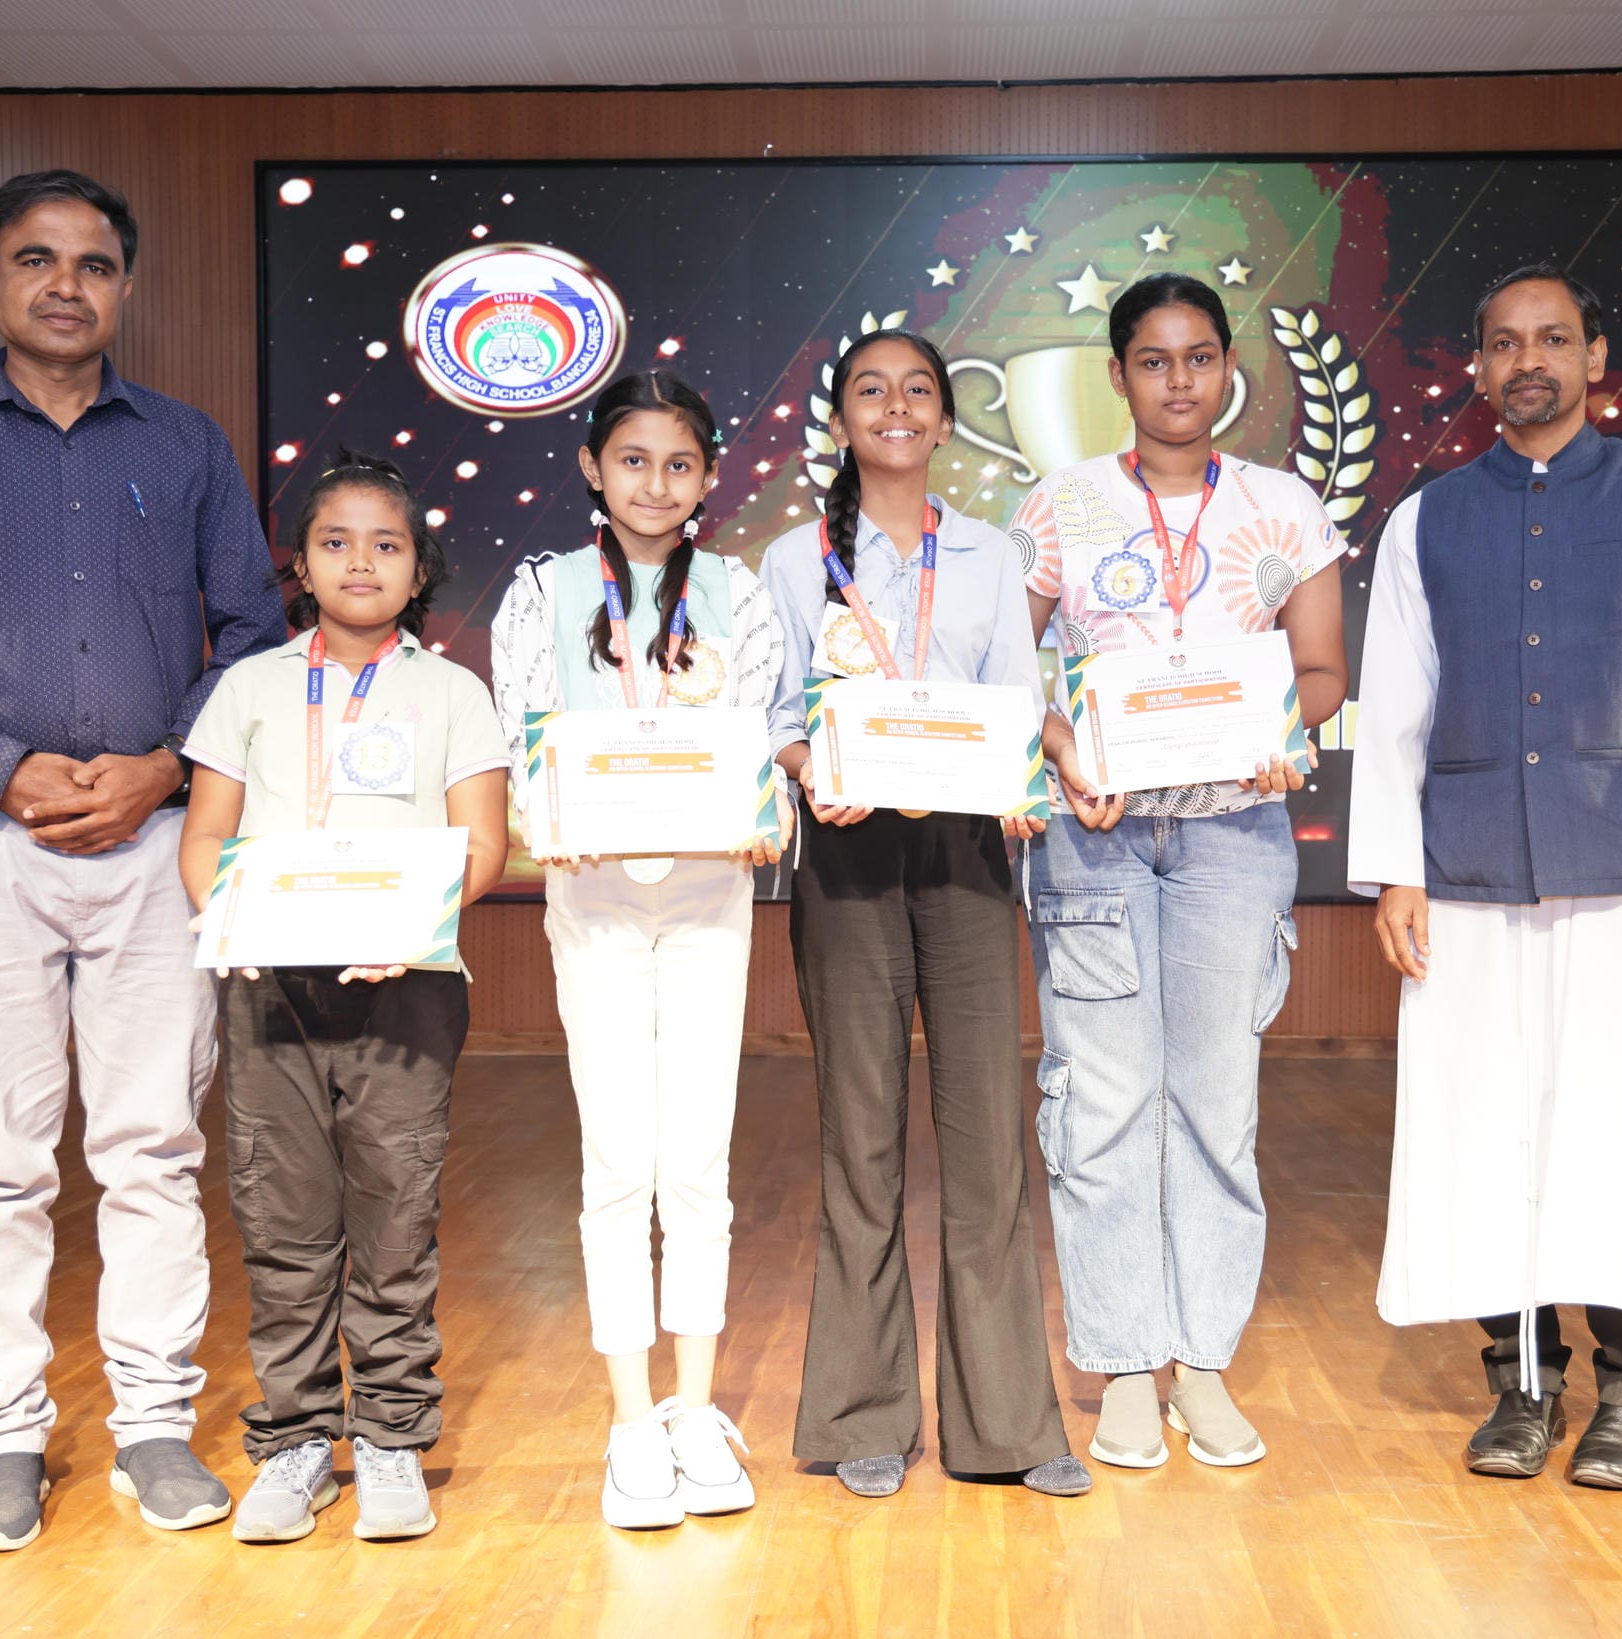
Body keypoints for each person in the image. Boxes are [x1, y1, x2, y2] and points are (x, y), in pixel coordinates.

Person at [0, 169, 287, 1551]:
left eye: (92, 262)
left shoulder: (186, 445)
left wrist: (168, 761)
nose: (65, 284)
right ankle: (4, 1437)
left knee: (153, 1147)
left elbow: (253, 636)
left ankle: (153, 1422)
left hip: (156, 846)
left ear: (126, 285)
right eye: (36, 259)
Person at [1347, 262, 1622, 1490]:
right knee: (1486, 1135)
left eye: (1554, 339)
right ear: (1477, 367)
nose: (1529, 360)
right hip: (1465, 874)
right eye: (1506, 342)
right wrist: (1393, 872)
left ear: (1594, 358)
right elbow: (1395, 705)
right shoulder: (1424, 517)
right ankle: (1521, 1387)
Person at [1008, 273, 1349, 1470]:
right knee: (1102, 1107)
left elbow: (1321, 671)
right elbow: (1008, 666)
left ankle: (1200, 1364)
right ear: (1117, 376)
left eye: (1199, 357)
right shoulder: (1059, 507)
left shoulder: (1283, 506)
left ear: (1228, 369)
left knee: (1215, 1105)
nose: (1178, 380)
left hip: (1231, 840)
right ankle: (1119, 1364)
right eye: (1152, 361)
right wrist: (1062, 748)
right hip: (1093, 838)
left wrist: (1281, 732)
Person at [759, 329, 1089, 1501]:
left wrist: (1025, 782)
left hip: (963, 849)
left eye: (917, 391)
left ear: (946, 420)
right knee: (860, 1137)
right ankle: (863, 1411)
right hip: (846, 850)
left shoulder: (990, 554)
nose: (895, 407)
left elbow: (1014, 701)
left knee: (988, 1137)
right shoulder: (793, 560)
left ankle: (1007, 1424)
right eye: (870, 390)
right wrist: (812, 767)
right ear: (840, 420)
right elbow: (774, 714)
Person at [179, 450, 510, 1542]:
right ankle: (294, 1443)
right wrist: (233, 918)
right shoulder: (249, 686)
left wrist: (407, 927)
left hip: (406, 986)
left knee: (394, 1217)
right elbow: (204, 837)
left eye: (386, 543)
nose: (360, 561)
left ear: (420, 567)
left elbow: (483, 843)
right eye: (335, 541)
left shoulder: (452, 692)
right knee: (282, 1221)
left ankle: (393, 1437)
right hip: (269, 986)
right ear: (302, 563)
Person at [488, 372, 784, 1531]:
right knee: (617, 1164)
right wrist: (545, 819)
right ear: (591, 468)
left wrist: (759, 814)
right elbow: (523, 736)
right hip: (596, 896)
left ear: (707, 476)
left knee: (698, 1163)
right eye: (632, 460)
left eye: (678, 463)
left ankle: (694, 1410)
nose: (654, 483)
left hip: (709, 893)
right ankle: (628, 1421)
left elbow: (761, 735)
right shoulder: (542, 590)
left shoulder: (738, 592)